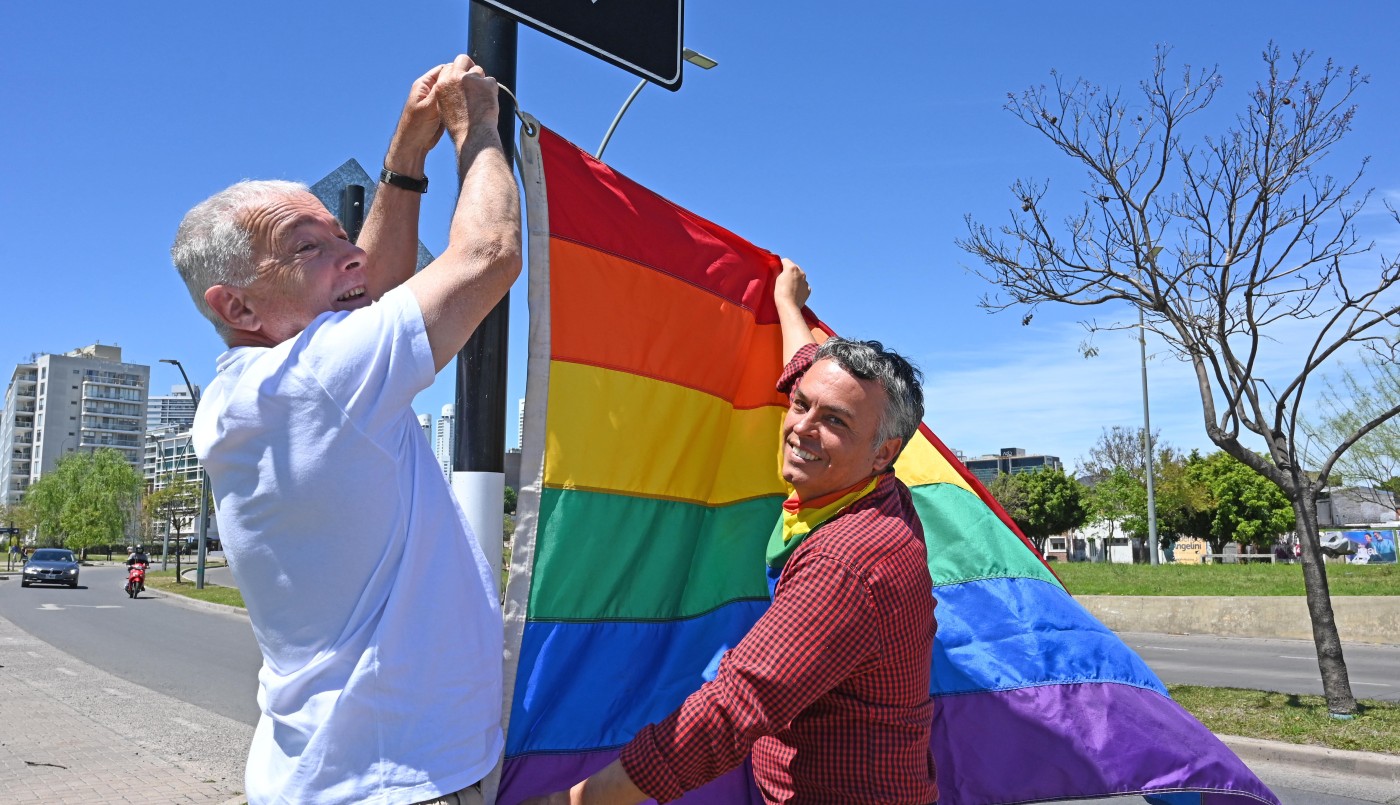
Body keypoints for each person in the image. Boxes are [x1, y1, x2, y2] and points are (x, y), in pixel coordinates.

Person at [174, 55, 520, 805]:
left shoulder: (250, 394)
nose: (351, 253)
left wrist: (402, 160)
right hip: (398, 785)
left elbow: (372, 292)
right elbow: (490, 254)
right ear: (237, 308)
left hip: (338, 775)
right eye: (309, 248)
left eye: (342, 234)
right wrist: (481, 131)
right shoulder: (313, 379)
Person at [526, 259, 938, 804]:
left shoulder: (849, 560)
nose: (801, 428)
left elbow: (735, 707)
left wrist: (574, 801)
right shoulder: (869, 490)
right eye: (800, 405)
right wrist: (787, 303)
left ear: (884, 452)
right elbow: (804, 368)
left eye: (835, 421)